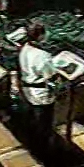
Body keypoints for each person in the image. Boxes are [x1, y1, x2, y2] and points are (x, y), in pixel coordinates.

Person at [18, 20, 59, 148]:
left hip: (26, 89)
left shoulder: (25, 48)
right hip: (40, 94)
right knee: (43, 124)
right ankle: (42, 149)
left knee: (31, 120)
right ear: (41, 35)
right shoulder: (42, 55)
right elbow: (50, 76)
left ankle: (30, 142)